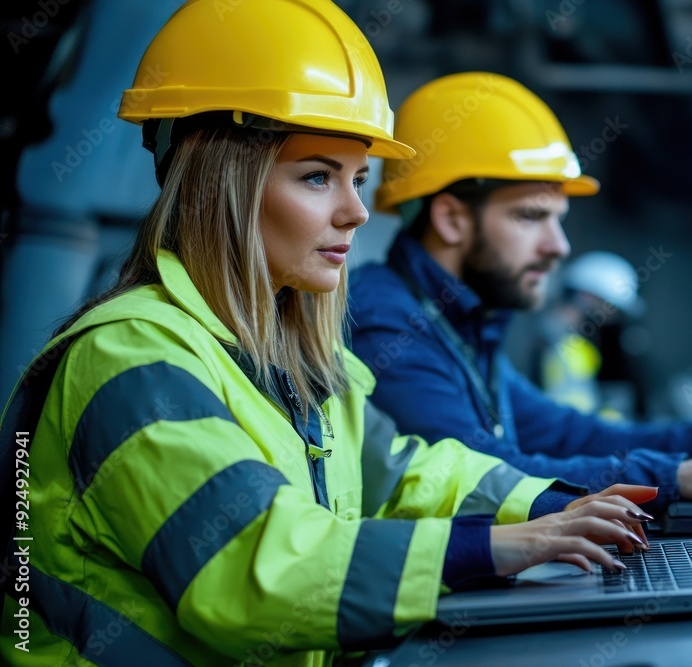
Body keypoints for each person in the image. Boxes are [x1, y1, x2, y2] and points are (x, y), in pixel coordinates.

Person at [0, 3, 657, 664]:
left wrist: (562, 506)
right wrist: (499, 545)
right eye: (318, 176)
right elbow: (248, 566)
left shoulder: (292, 360)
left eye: (359, 178)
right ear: (221, 181)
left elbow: (403, 476)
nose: (357, 210)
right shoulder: (131, 361)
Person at [350, 72, 692, 512]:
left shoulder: (461, 325)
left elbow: (569, 433)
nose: (559, 246)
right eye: (531, 216)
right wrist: (673, 477)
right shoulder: (385, 320)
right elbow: (488, 479)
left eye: (557, 219)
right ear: (451, 219)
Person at [529, 251, 649, 418]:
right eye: (607, 310)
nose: (610, 320)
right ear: (584, 297)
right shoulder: (559, 346)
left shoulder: (587, 348)